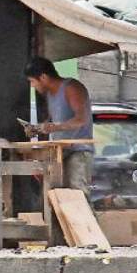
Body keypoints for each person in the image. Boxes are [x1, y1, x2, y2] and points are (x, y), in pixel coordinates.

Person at [23, 57, 93, 195]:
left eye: (32, 81)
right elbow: (52, 120)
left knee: (78, 194)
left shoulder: (71, 88)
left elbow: (81, 120)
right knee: (55, 195)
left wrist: (55, 126)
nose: (32, 86)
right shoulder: (50, 94)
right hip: (59, 151)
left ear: (43, 77)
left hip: (78, 151)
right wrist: (37, 128)